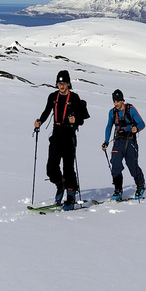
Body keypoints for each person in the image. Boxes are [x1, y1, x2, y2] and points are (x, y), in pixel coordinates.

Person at [34, 70, 88, 210]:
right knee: (51, 168)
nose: (61, 86)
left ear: (68, 84)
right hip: (56, 135)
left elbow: (81, 118)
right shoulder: (53, 96)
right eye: (59, 83)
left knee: (68, 168)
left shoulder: (74, 98)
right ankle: (60, 185)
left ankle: (71, 195)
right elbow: (47, 111)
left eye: (64, 83)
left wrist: (75, 120)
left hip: (69, 136)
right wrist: (40, 121)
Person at [102, 89, 146, 200]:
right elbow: (109, 127)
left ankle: (140, 185)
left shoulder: (131, 110)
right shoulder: (112, 113)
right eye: (114, 101)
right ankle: (118, 189)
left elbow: (142, 123)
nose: (115, 103)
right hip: (118, 141)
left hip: (130, 140)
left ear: (122, 100)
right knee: (115, 163)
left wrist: (136, 128)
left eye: (117, 101)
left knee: (132, 166)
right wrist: (106, 141)